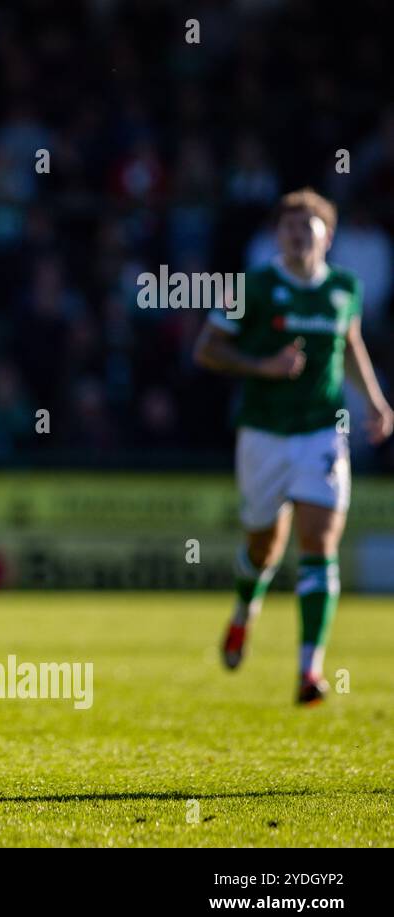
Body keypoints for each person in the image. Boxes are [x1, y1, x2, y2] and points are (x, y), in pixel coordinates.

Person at [194, 188, 393, 704]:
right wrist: (262, 366)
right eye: (288, 227)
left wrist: (375, 401)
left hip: (322, 431)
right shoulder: (252, 287)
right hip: (262, 432)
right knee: (263, 547)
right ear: (276, 236)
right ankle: (243, 612)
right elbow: (207, 349)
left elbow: (350, 343)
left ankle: (309, 670)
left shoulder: (346, 287)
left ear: (328, 236)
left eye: (308, 227)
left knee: (319, 542)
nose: (298, 235)